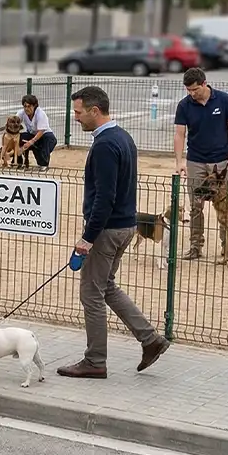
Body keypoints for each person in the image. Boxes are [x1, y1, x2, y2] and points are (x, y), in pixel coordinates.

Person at [59, 85, 170, 379]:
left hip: (107, 230)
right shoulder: (123, 137)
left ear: (95, 111)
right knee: (106, 286)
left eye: (79, 113)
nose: (77, 118)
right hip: (126, 225)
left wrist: (87, 238)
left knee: (91, 294)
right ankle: (150, 339)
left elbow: (104, 197)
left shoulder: (106, 144)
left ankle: (95, 360)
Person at [173, 66, 228, 261]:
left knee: (226, 205)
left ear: (204, 84)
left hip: (221, 161)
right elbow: (179, 133)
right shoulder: (184, 105)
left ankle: (226, 248)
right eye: (188, 90)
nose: (192, 94)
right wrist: (179, 161)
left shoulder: (223, 99)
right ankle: (196, 246)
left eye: (195, 89)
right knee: (196, 205)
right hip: (195, 160)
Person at [17, 93, 56, 171]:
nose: (27, 109)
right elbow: (15, 122)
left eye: (29, 106)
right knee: (18, 138)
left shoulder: (40, 114)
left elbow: (41, 131)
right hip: (32, 135)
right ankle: (19, 161)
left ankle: (44, 164)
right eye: (25, 106)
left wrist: (31, 142)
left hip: (44, 135)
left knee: (45, 142)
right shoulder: (21, 113)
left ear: (34, 106)